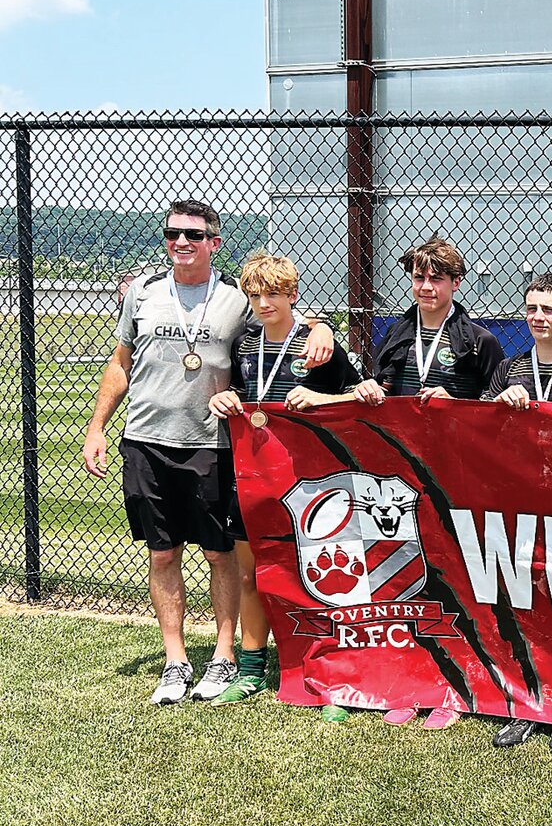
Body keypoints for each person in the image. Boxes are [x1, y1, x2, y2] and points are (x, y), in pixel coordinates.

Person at [81, 199, 333, 704]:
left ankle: (223, 656)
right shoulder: (145, 294)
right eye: (173, 233)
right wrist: (97, 426)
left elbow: (280, 310)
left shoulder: (234, 299)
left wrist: (322, 326)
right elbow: (121, 361)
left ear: (213, 243)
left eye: (193, 235)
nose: (181, 242)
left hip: (214, 445)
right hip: (148, 440)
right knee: (163, 552)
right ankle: (175, 662)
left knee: (221, 555)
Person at [352, 234, 504, 728]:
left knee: (455, 579)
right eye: (418, 276)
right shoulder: (395, 335)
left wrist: (458, 404)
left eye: (436, 277)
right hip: (401, 480)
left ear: (456, 283)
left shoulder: (478, 340)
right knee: (407, 579)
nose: (425, 286)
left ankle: (456, 688)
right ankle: (414, 681)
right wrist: (368, 386)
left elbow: (497, 412)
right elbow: (374, 391)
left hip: (457, 479)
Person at [205, 252, 362, 705]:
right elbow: (238, 388)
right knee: (252, 574)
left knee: (314, 575)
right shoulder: (245, 342)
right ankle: (252, 670)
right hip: (251, 475)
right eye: (255, 295)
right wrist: (226, 399)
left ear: (293, 295)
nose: (263, 303)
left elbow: (356, 398)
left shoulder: (318, 346)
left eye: (273, 294)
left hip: (306, 481)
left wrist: (317, 395)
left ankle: (327, 672)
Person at [485, 272, 552, 754]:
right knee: (523, 599)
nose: (538, 318)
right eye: (531, 308)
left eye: (549, 309)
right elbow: (476, 424)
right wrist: (499, 407)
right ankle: (526, 701)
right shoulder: (508, 370)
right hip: (519, 504)